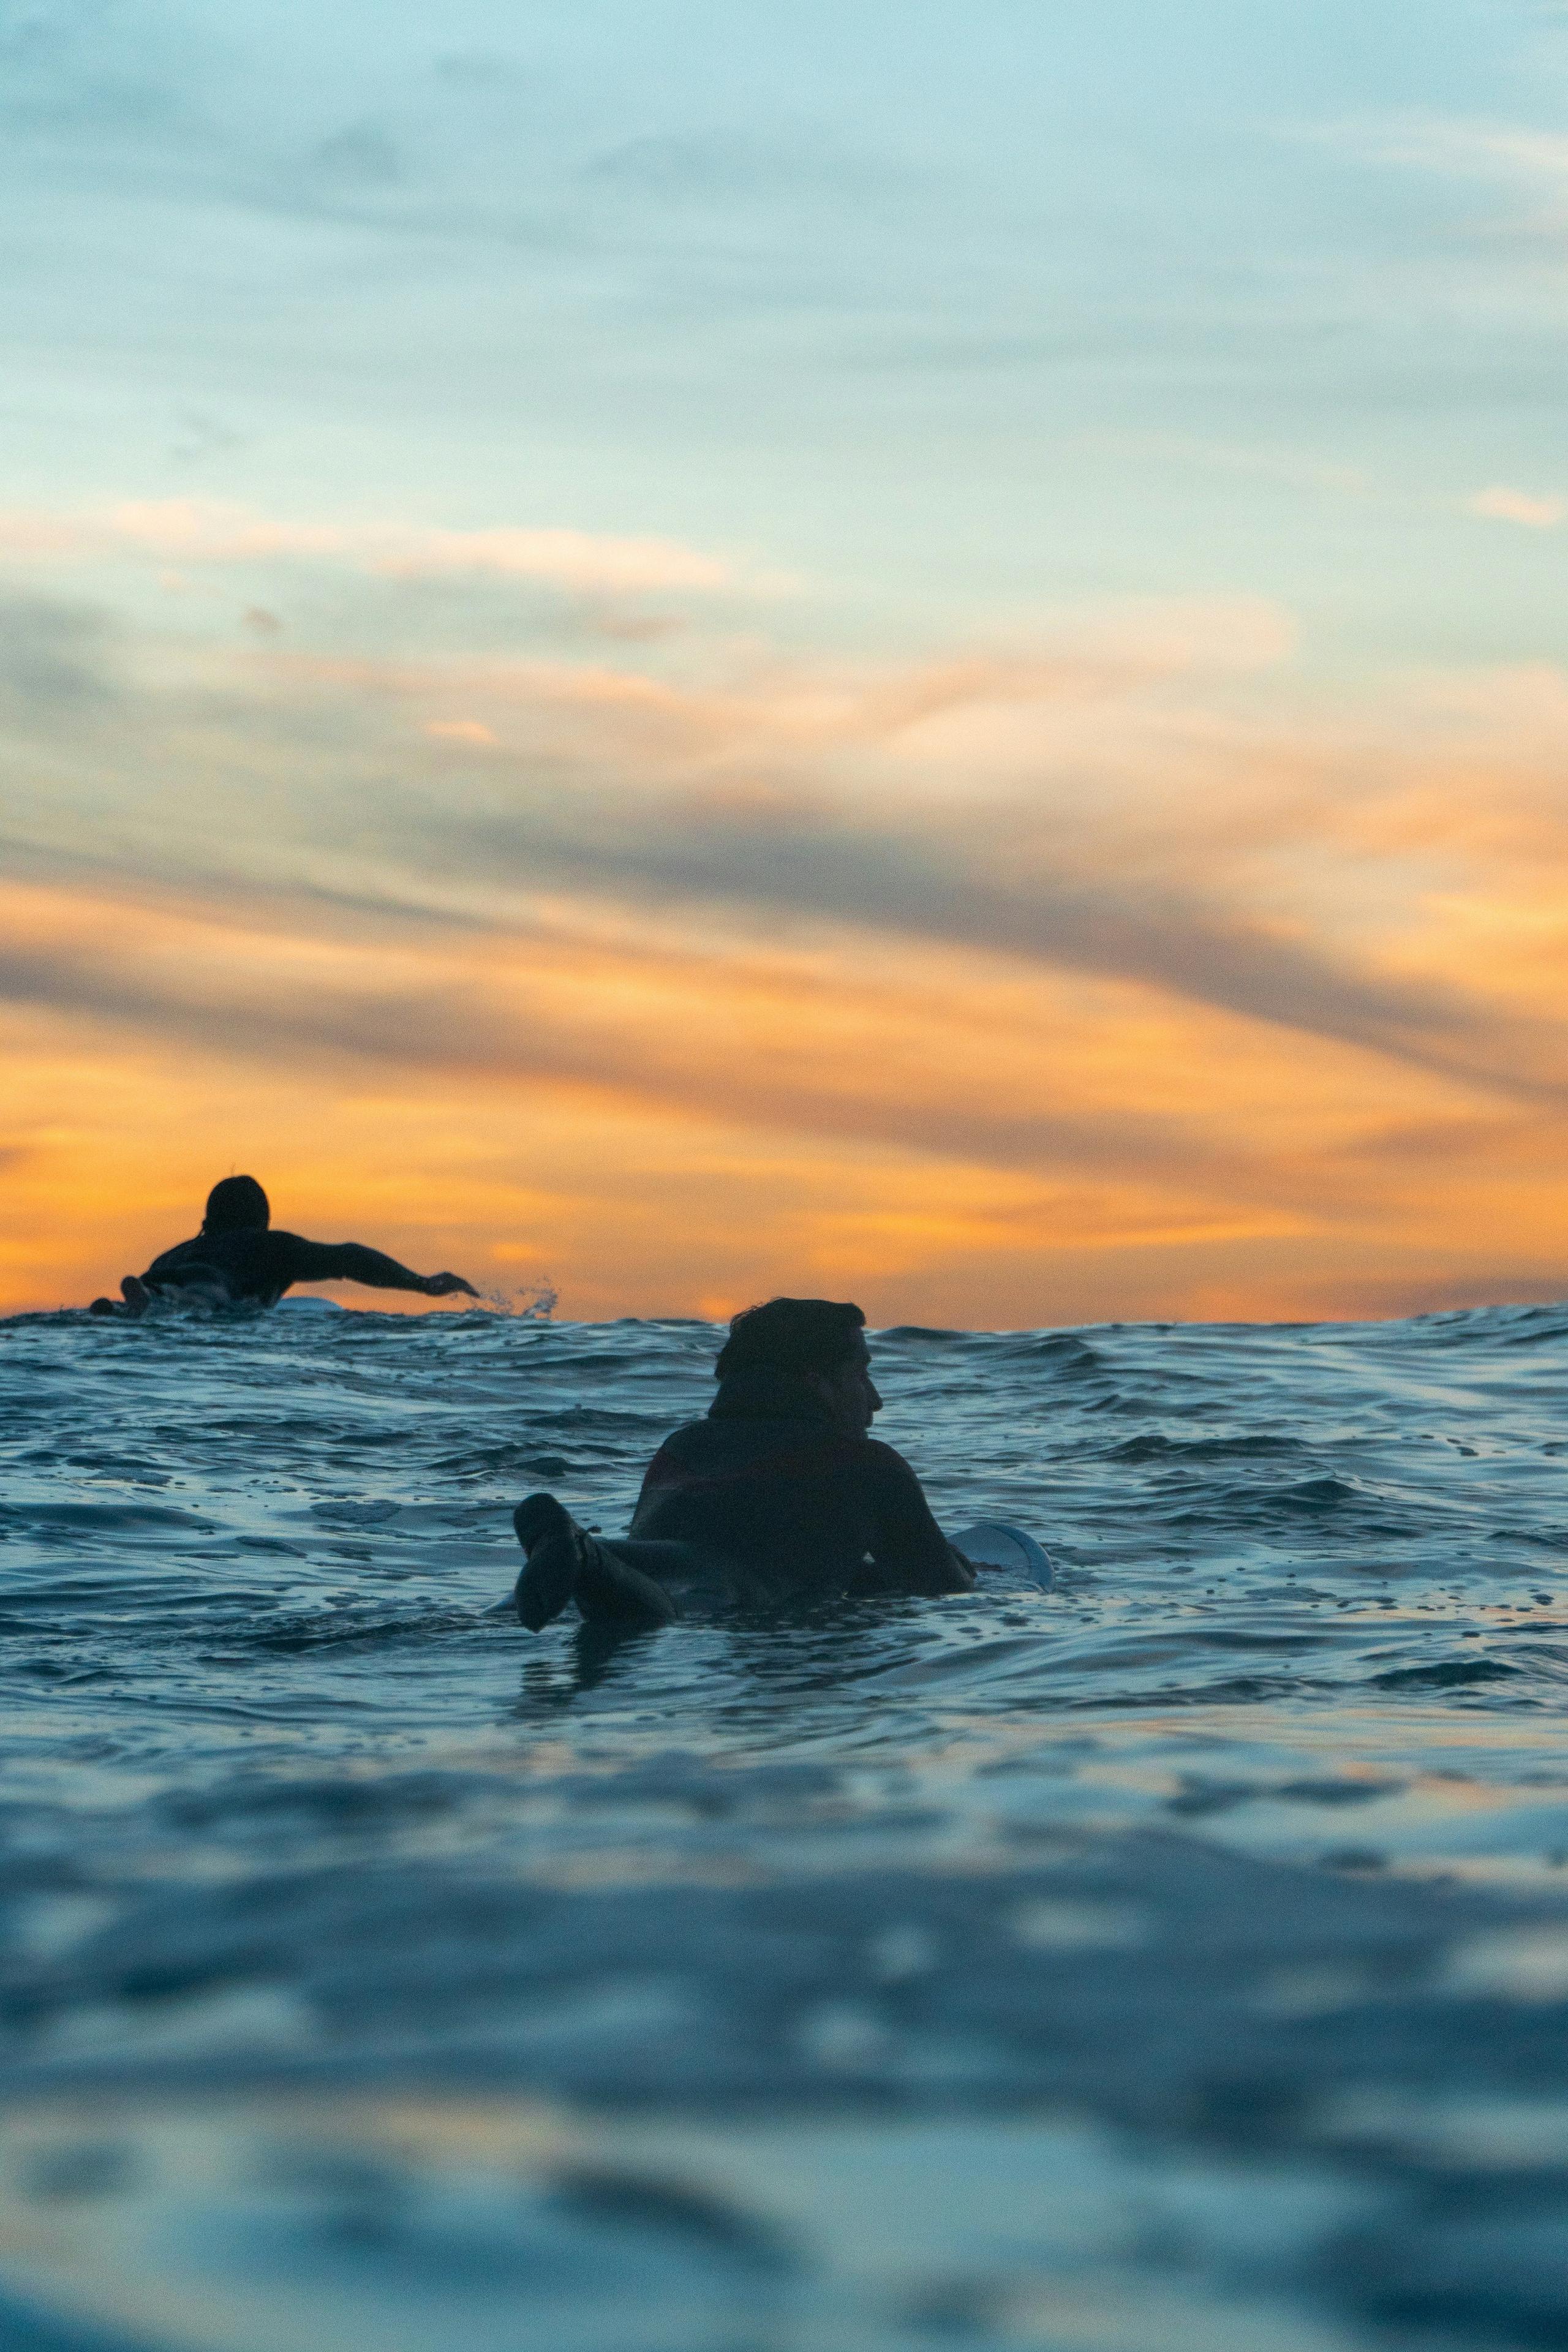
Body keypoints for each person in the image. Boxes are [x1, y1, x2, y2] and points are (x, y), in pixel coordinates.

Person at [511, 1296, 974, 1629]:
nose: (875, 1401)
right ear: (818, 1385)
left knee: (613, 1585)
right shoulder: (863, 1463)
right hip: (724, 1588)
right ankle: (586, 1554)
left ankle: (583, 1550)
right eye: (861, 1374)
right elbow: (941, 1588)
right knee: (664, 1611)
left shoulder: (682, 1449)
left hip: (640, 1560)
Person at [89, 1175, 478, 1316]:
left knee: (163, 1296)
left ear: (208, 1222)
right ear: (263, 1222)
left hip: (162, 1274)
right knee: (207, 1298)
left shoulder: (174, 1251)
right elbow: (349, 1257)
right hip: (214, 1285)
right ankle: (148, 1303)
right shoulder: (271, 1246)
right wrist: (422, 1284)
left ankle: (132, 1306)